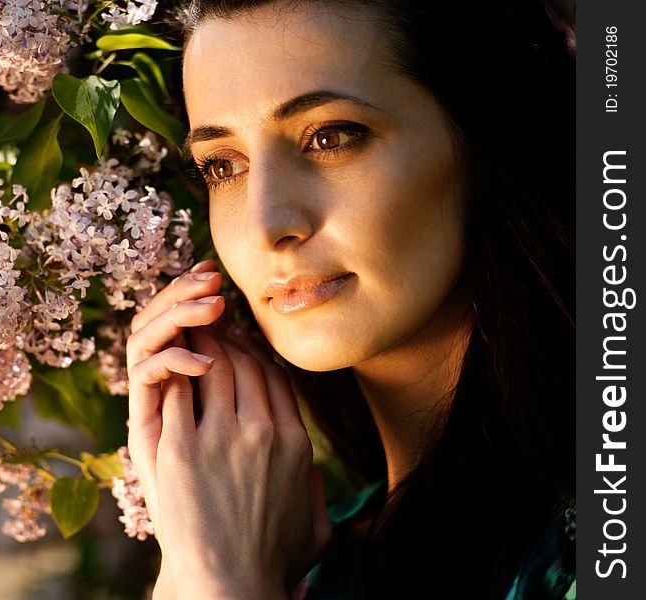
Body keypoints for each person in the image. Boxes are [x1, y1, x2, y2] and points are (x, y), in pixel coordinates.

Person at [125, 0, 576, 598]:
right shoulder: (296, 566)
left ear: (481, 140)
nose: (266, 224)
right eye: (222, 165)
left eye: (330, 138)